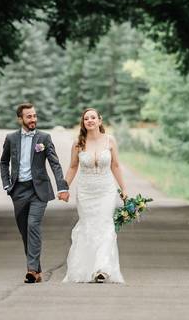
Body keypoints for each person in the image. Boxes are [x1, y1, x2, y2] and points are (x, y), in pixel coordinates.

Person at [0, 102, 69, 283]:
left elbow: (55, 163)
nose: (33, 119)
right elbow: (3, 162)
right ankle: (36, 270)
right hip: (18, 191)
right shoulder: (11, 138)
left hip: (39, 190)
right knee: (24, 231)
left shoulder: (44, 138)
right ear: (20, 118)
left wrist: (62, 186)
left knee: (33, 226)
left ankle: (30, 269)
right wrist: (7, 185)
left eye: (34, 116)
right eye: (29, 116)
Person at [61, 107, 127, 283]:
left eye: (92, 117)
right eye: (86, 119)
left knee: (105, 225)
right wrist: (64, 188)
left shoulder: (110, 140)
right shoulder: (78, 143)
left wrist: (124, 190)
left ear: (100, 120)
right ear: (83, 123)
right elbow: (73, 167)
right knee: (89, 226)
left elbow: (116, 166)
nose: (89, 120)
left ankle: (102, 268)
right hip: (86, 191)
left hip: (106, 190)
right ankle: (86, 268)